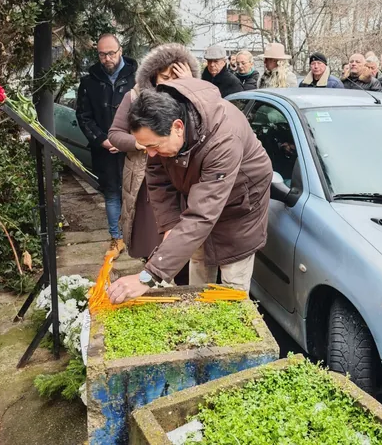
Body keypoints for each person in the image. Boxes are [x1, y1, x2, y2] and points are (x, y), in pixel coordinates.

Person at [106, 78, 273, 304]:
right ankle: (198, 318)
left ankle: (231, 332)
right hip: (199, 197)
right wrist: (170, 222)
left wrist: (148, 277)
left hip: (240, 206)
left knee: (232, 283)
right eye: (146, 147)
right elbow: (158, 181)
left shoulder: (223, 138)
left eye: (154, 146)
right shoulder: (159, 138)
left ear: (177, 127)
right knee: (197, 265)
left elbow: (201, 216)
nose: (151, 154)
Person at [108, 43, 199, 259]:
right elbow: (115, 133)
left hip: (186, 181)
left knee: (187, 244)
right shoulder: (134, 96)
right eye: (165, 77)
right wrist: (142, 143)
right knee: (152, 240)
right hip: (146, 181)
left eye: (176, 77)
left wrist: (191, 86)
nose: (170, 83)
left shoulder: (191, 98)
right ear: (153, 76)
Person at [76, 34, 138, 253]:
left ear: (120, 50)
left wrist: (131, 140)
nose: (107, 58)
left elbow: (148, 113)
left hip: (134, 148)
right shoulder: (88, 81)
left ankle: (138, 236)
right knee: (111, 193)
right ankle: (116, 237)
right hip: (104, 149)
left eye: (111, 53)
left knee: (136, 192)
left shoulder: (137, 77)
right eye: (102, 54)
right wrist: (102, 140)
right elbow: (84, 116)